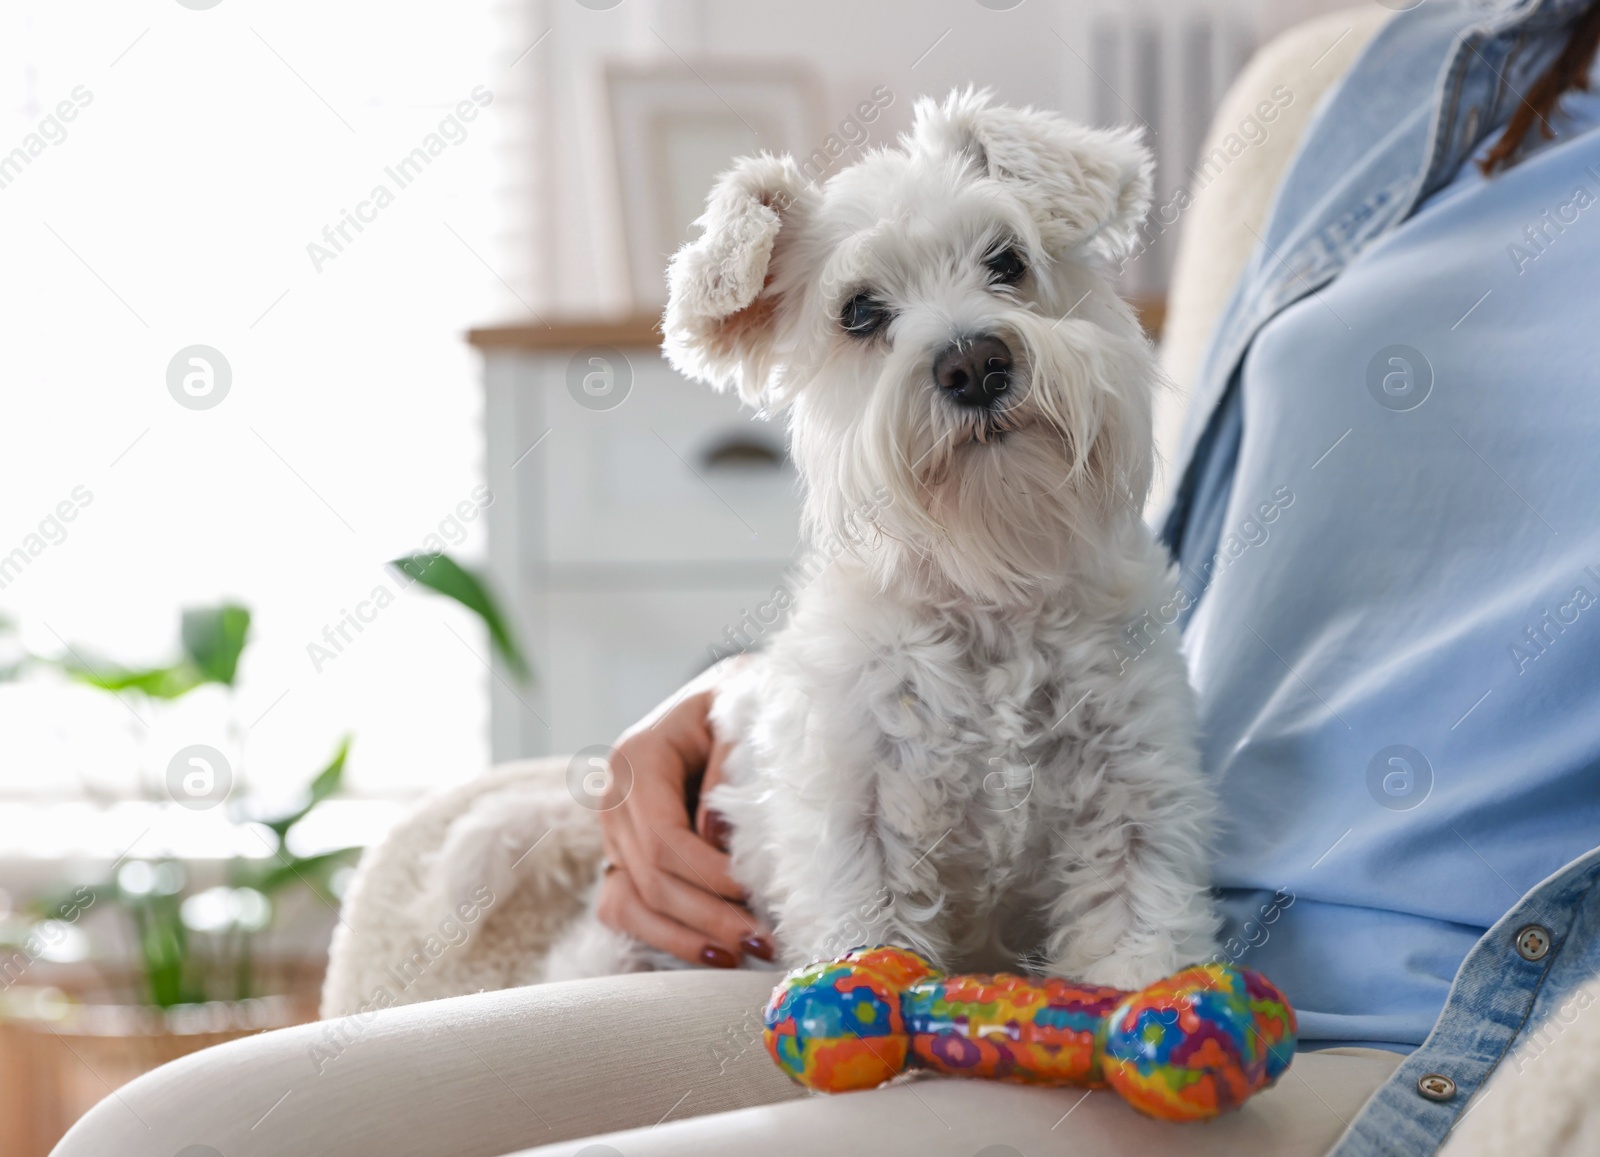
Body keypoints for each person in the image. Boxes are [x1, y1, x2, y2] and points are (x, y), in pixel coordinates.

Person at [50, 2, 1600, 1155]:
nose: (973, 338)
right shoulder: (1412, 85)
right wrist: (760, 700)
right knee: (161, 1134)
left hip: (1343, 1020)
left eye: (1003, 273)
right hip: (927, 977)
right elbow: (1207, 556)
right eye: (878, 313)